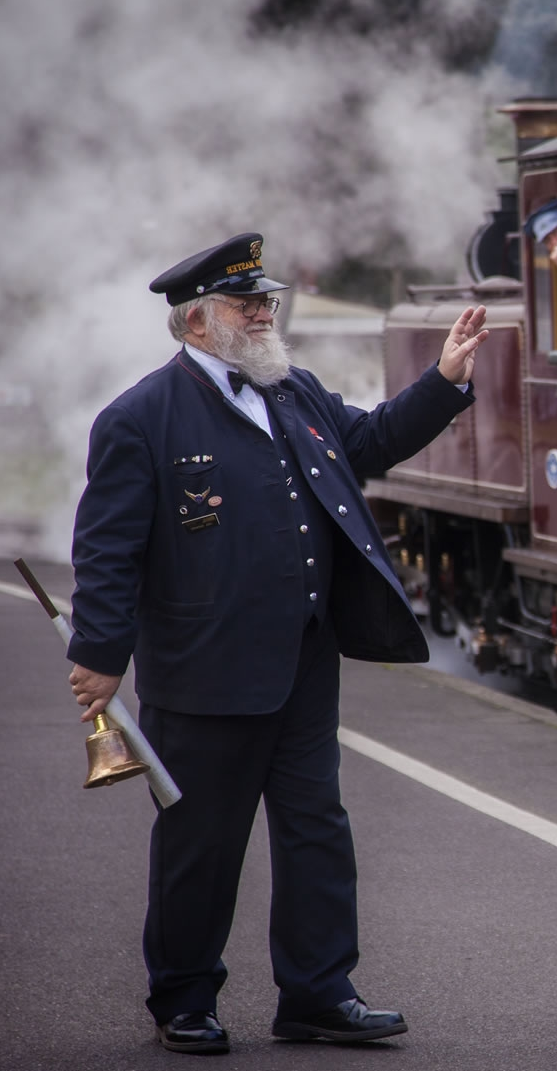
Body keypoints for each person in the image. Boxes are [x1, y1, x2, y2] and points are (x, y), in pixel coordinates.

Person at [66, 232, 488, 1055]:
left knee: (316, 830)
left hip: (302, 660)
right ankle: (183, 996)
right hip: (204, 670)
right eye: (245, 302)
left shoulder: (294, 391)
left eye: (266, 299)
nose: (264, 311)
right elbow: (107, 549)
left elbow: (366, 443)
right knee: (201, 844)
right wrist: (101, 652)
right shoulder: (140, 417)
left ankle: (319, 991)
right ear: (196, 321)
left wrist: (442, 383)